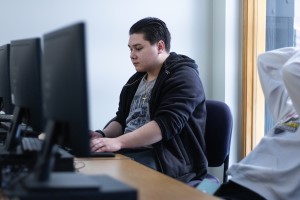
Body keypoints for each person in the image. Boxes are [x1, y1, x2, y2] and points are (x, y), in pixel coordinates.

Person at [90, 17, 208, 184]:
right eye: (130, 49)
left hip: (165, 159)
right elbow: (122, 119)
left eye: (138, 48)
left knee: (106, 180)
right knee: (87, 167)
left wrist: (117, 142)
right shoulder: (135, 81)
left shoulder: (184, 77)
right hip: (130, 150)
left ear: (160, 46)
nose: (132, 55)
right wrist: (102, 135)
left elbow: (164, 125)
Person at [214, 47, 300, 200]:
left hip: (263, 195)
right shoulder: (292, 109)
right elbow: (266, 62)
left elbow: (291, 70)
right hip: (236, 183)